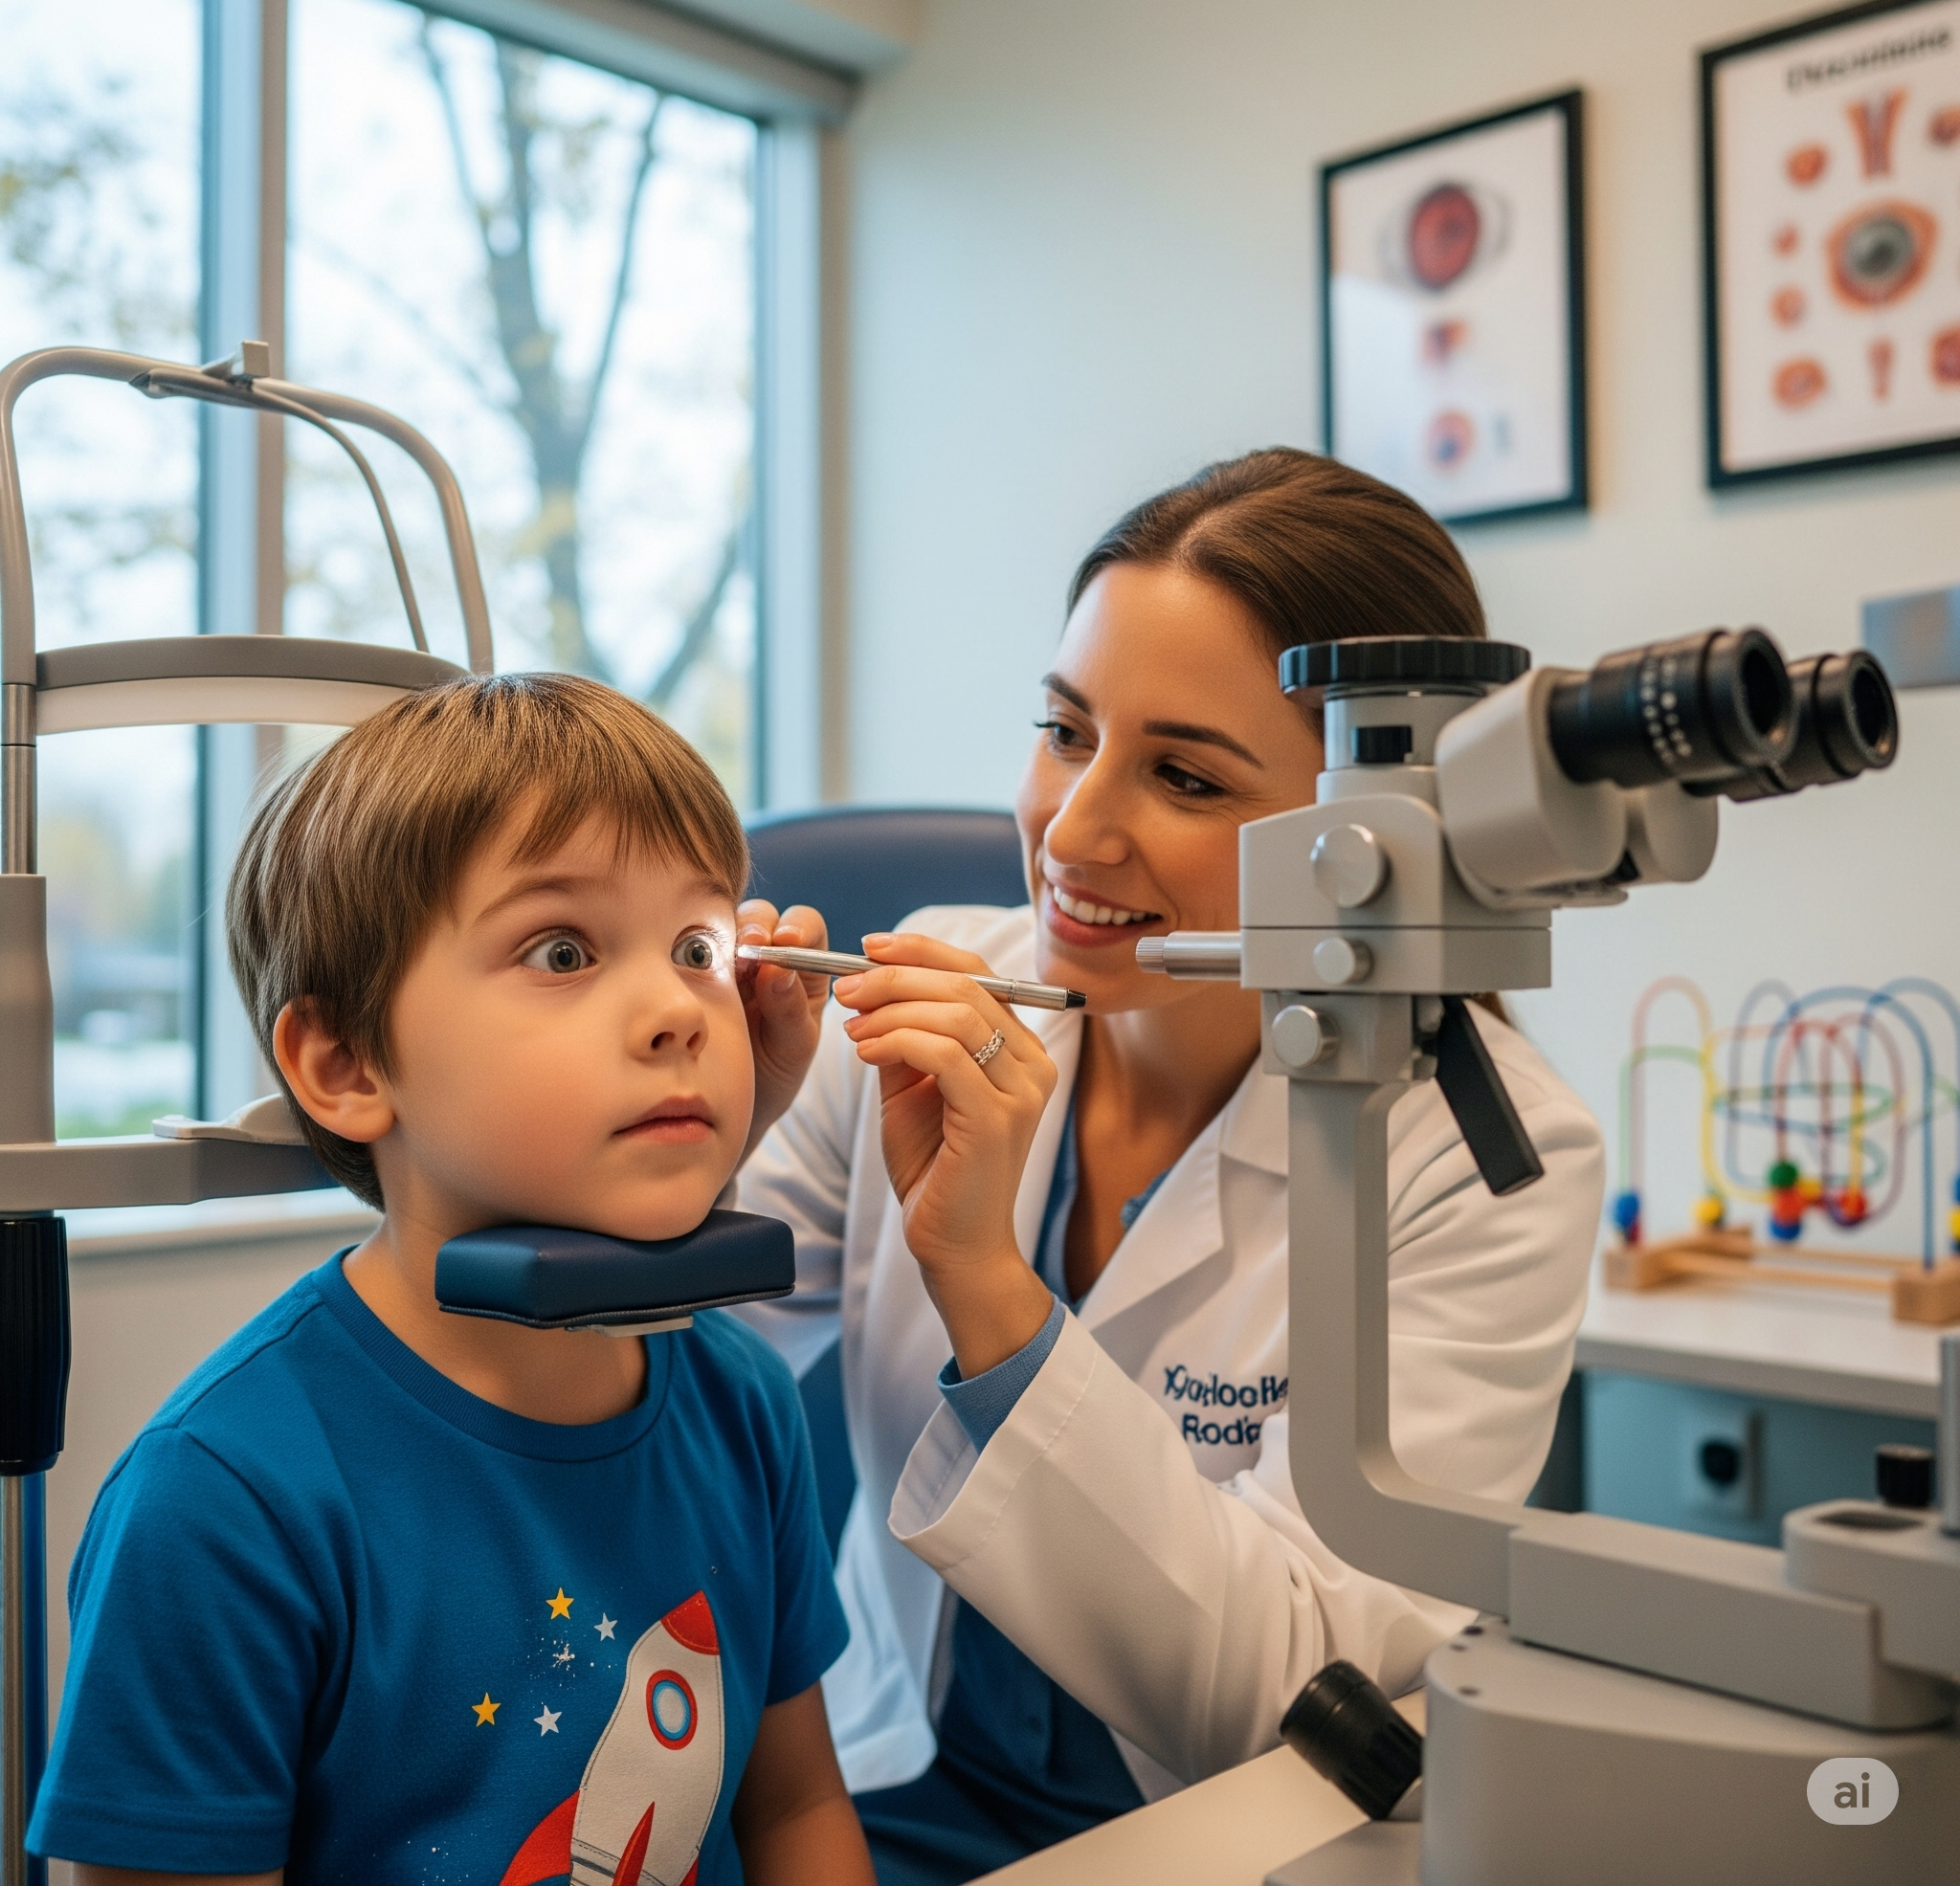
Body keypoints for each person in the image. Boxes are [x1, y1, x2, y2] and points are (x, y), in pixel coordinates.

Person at [732, 449, 1606, 1884]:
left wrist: (988, 1293)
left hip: (1220, 1841)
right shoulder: (915, 1012)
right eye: (1066, 731)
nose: (1073, 830)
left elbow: (1294, 1695)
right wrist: (720, 1107)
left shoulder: (1479, 1160)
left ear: (1369, 835)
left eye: (1186, 775)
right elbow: (644, 1348)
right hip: (878, 1784)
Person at [30, 676, 875, 1886]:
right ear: (345, 1061)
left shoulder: (743, 1398)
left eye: (699, 947)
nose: (674, 1012)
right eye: (563, 949)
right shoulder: (222, 1504)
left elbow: (791, 1811)